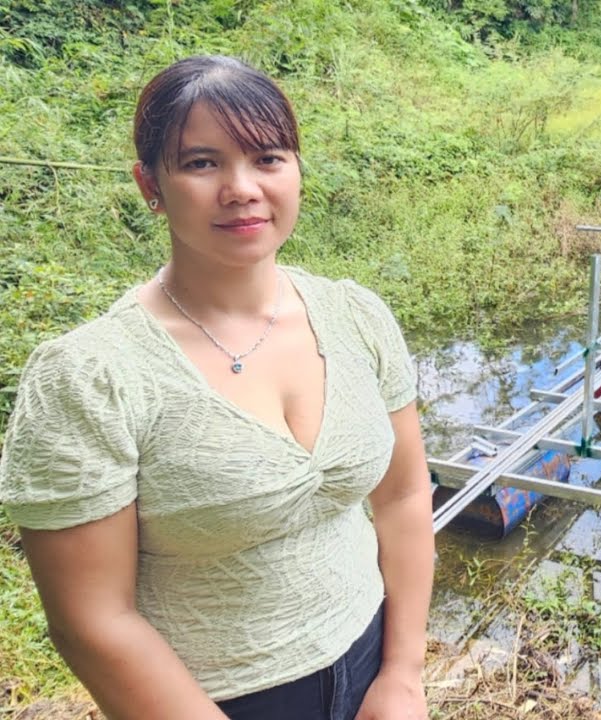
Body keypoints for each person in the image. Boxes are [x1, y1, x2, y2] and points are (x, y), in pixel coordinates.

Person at [0, 56, 434, 719]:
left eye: (268, 158)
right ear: (150, 185)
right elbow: (93, 620)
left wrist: (403, 672)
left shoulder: (356, 316)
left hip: (373, 659)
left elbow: (402, 495)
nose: (242, 189)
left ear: (296, 170)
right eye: (202, 163)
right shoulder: (90, 377)